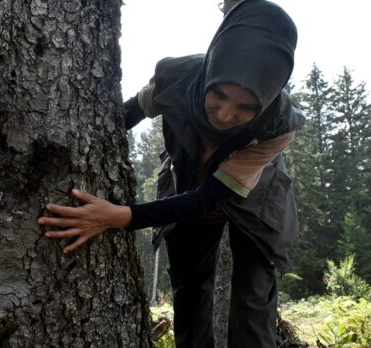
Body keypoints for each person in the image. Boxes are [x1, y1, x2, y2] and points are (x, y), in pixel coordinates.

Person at [37, 1, 304, 346]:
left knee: (252, 298)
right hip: (188, 182)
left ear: (265, 102)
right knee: (189, 285)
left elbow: (211, 197)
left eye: (245, 107)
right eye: (219, 95)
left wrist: (121, 216)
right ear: (210, 69)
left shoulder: (279, 125)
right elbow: (129, 113)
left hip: (256, 201)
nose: (224, 115)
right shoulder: (176, 78)